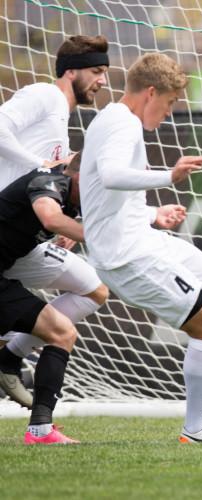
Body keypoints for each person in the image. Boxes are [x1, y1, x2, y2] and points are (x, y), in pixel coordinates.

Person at [79, 53, 202, 444]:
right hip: (126, 257)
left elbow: (104, 192)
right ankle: (197, 428)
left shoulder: (118, 120)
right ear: (150, 93)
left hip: (141, 237)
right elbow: (112, 176)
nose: (168, 113)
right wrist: (170, 175)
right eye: (168, 104)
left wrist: (152, 213)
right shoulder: (121, 124)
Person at [0, 35, 111, 408]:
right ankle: (9, 358)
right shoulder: (44, 95)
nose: (102, 80)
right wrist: (37, 165)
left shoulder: (62, 125)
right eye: (97, 71)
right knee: (93, 289)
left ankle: (9, 358)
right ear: (71, 71)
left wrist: (60, 226)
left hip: (23, 239)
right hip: (5, 226)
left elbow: (56, 182)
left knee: (94, 289)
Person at [0, 154, 85, 443]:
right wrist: (96, 237)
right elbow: (50, 217)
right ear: (81, 176)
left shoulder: (76, 199)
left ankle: (40, 430)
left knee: (62, 331)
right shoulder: (49, 181)